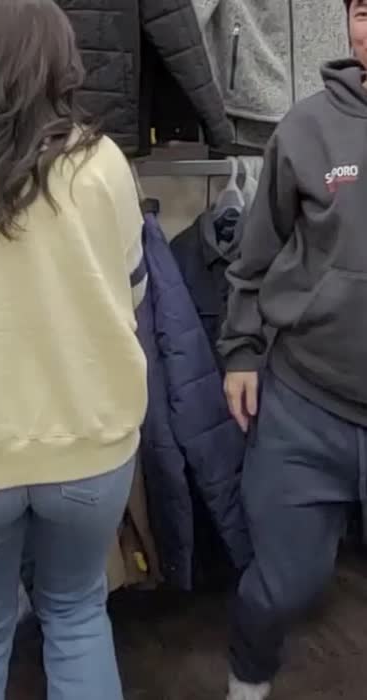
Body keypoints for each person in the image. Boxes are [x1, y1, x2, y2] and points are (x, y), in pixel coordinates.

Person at [0, 0, 148, 698]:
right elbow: (133, 290)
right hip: (88, 441)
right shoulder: (102, 165)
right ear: (64, 64)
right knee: (77, 615)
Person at [220, 1, 367, 698]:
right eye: (364, 11)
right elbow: (255, 256)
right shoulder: (306, 128)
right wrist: (241, 352)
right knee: (283, 586)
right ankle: (246, 683)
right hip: (307, 405)